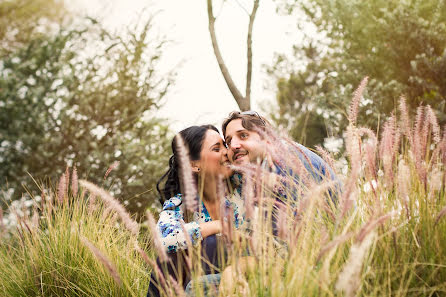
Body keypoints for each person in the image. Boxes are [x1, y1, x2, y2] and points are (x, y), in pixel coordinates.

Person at [147, 125, 243, 297]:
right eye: (216, 148)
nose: (226, 152)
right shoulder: (179, 204)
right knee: (169, 256)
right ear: (194, 165)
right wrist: (218, 225)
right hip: (199, 284)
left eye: (225, 146)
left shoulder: (243, 191)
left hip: (243, 273)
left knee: (213, 243)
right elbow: (165, 240)